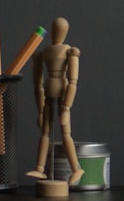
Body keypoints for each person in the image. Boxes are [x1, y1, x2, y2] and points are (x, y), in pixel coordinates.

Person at [26, 17, 84, 186]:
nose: (55, 33)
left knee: (66, 133)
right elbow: (37, 83)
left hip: (63, 96)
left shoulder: (69, 51)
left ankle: (76, 168)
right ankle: (40, 168)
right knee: (45, 133)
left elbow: (73, 80)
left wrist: (67, 105)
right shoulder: (44, 52)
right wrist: (40, 110)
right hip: (48, 96)